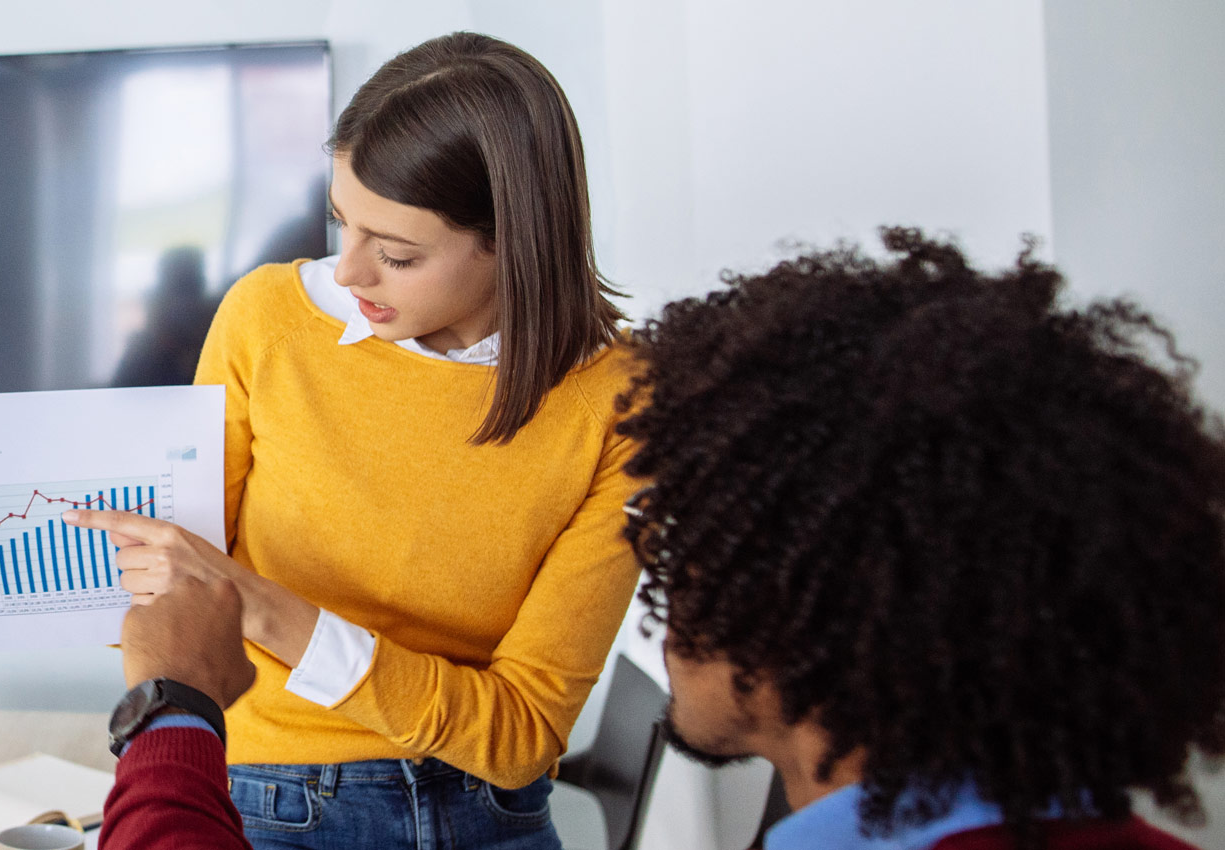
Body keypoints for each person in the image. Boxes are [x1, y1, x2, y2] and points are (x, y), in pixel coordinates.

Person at [93, 228, 1225, 850]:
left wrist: (172, 709)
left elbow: (518, 733)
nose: (660, 593)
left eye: (693, 545)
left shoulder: (603, 396)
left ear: (806, 606)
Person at [0, 32, 641, 849]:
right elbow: (166, 597)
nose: (348, 272)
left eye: (395, 254)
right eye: (341, 224)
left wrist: (259, 607)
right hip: (270, 798)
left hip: (490, 816)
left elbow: (522, 734)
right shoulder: (270, 319)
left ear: (513, 241)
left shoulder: (623, 400)